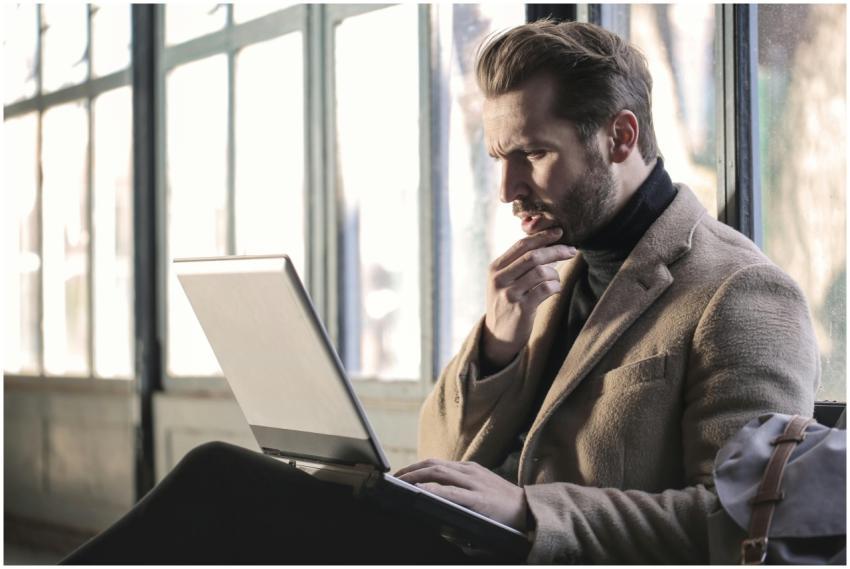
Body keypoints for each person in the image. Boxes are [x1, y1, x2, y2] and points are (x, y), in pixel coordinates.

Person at [62, 19, 819, 565]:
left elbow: (739, 526)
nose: (508, 189)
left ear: (620, 138)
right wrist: (496, 345)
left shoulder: (741, 292)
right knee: (225, 487)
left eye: (532, 154)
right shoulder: (551, 266)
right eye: (498, 158)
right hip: (453, 546)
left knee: (222, 488)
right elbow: (440, 454)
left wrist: (528, 510)